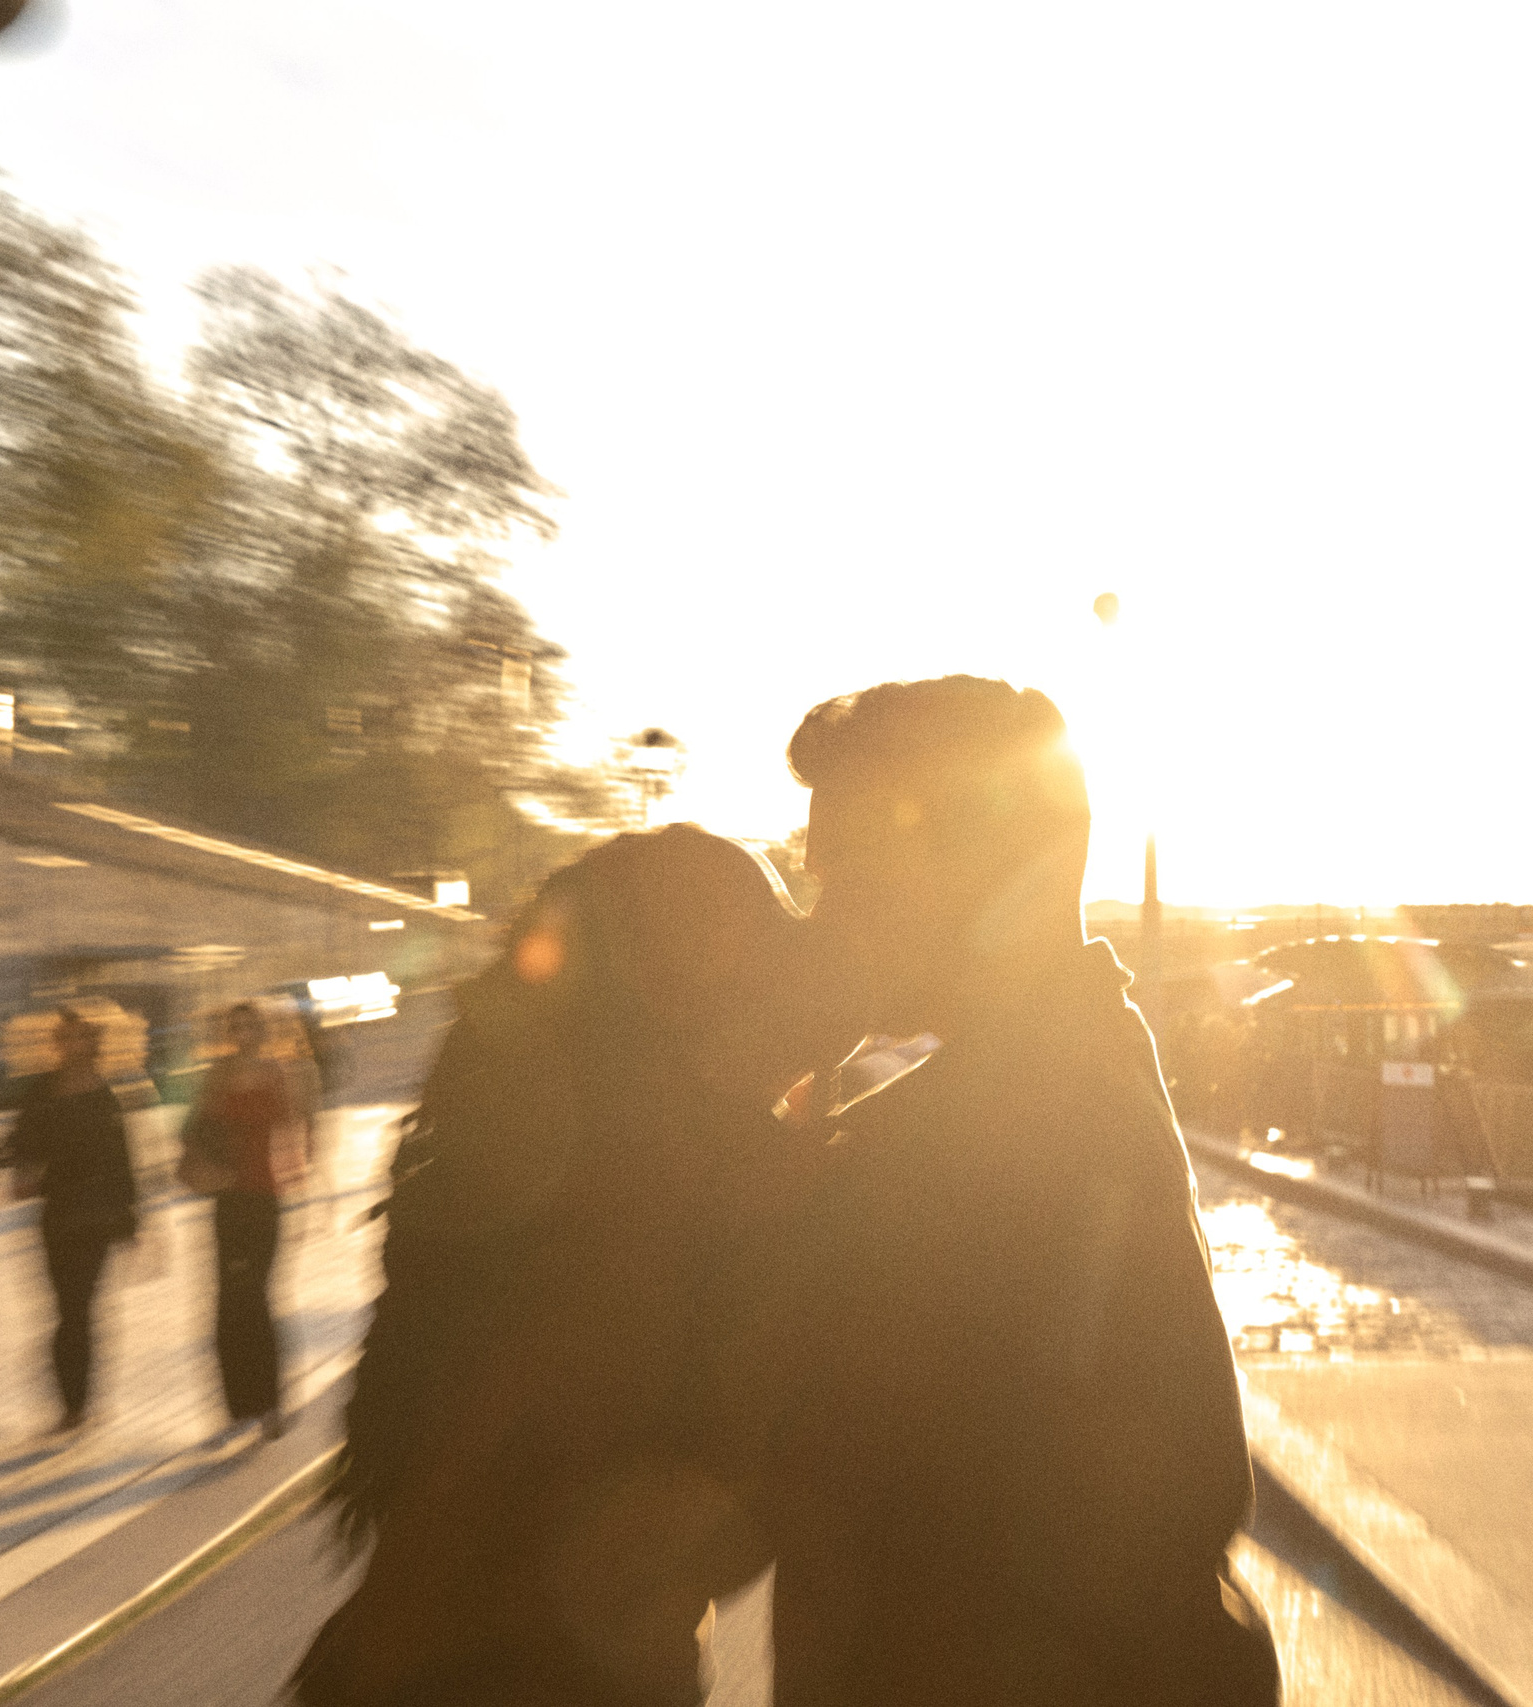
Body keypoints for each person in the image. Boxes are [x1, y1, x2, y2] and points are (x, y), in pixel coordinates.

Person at [755, 677, 1278, 1707]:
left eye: (851, 872)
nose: (827, 917)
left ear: (974, 875)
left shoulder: (955, 1147)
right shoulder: (1077, 1059)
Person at [298, 827, 834, 1706]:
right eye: (748, 955)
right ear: (675, 980)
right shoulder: (691, 1173)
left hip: (412, 1630)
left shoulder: (495, 1110)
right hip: (553, 1658)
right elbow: (724, 1501)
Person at [183, 999, 317, 1438]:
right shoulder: (215, 1075)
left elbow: (299, 1124)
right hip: (226, 1198)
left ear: (263, 1031)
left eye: (251, 1027)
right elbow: (193, 1130)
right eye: (235, 1028)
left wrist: (306, 1167)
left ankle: (270, 1402)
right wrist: (203, 1162)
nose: (243, 1035)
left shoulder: (280, 1073)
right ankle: (237, 1405)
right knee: (228, 1299)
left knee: (257, 1296)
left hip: (265, 1198)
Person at [6, 1006, 141, 1433]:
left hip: (97, 1215)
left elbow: (123, 1163)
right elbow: (21, 1143)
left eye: (79, 1036)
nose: (71, 1044)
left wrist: (132, 1223)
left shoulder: (106, 1094)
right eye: (64, 1037)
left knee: (82, 1308)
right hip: (58, 1212)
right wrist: (21, 1171)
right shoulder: (41, 1091)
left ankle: (78, 1404)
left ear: (94, 1041)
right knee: (64, 1309)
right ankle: (71, 1401)